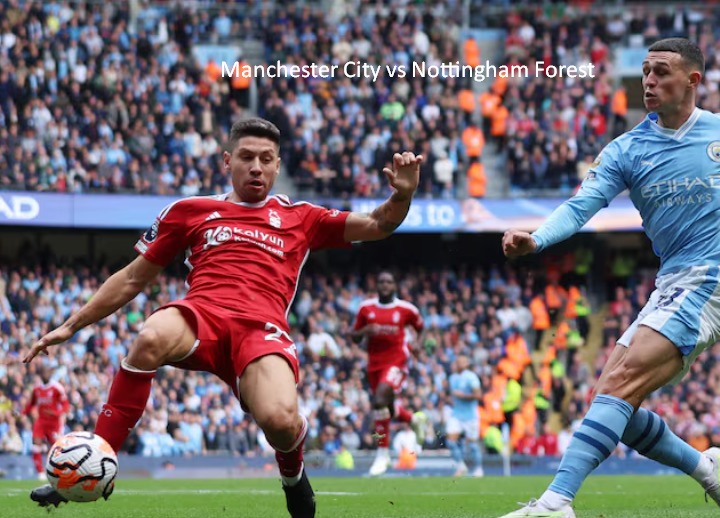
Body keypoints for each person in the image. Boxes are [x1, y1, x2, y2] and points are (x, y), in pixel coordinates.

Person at [23, 117, 423, 517]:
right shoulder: (189, 211)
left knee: (281, 422)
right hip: (203, 317)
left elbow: (377, 224)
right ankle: (93, 463)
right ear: (227, 161)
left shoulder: (303, 217)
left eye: (267, 159)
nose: (257, 167)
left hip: (261, 331)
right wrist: (70, 326)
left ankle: (293, 476)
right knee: (149, 337)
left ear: (278, 166)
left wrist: (402, 196)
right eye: (247, 157)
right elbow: (131, 278)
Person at [496, 38, 720, 518]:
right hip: (671, 284)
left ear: (693, 80)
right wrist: (537, 239)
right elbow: (579, 207)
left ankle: (556, 502)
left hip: (714, 279)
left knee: (621, 383)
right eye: (645, 73)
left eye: (661, 72)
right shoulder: (626, 149)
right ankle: (704, 468)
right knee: (616, 402)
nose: (649, 82)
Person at [350, 271, 428, 476]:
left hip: (397, 361)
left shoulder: (406, 309)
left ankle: (382, 454)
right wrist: (366, 331)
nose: (385, 285)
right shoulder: (366, 308)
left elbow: (421, 327)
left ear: (395, 285)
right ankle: (412, 419)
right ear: (377, 285)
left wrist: (418, 345)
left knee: (379, 399)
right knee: (385, 407)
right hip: (374, 364)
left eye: (389, 281)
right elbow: (354, 336)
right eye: (382, 281)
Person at [23, 365, 69, 481]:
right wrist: (22, 413)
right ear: (40, 374)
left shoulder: (57, 387)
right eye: (43, 372)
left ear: (50, 373)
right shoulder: (37, 389)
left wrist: (56, 413)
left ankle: (60, 470)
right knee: (36, 442)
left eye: (47, 372)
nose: (45, 374)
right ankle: (40, 471)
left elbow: (65, 405)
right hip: (41, 421)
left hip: (54, 423)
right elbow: (31, 404)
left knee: (56, 448)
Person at [446, 355, 483, 478]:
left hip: (470, 416)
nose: (460, 364)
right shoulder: (452, 378)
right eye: (458, 362)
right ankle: (461, 467)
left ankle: (478, 469)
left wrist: (462, 395)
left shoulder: (471, 377)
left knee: (471, 444)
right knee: (450, 441)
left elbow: (478, 395)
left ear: (467, 364)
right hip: (456, 414)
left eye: (463, 362)